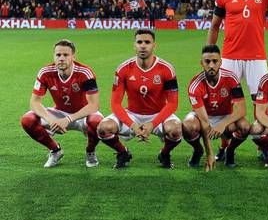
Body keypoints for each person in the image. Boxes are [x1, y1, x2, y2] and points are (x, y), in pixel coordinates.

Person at [207, 0, 268, 161]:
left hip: (256, 58)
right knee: (227, 104)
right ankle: (224, 146)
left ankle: (262, 145)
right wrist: (211, 53)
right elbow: (214, 25)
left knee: (261, 104)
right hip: (230, 57)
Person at [97, 29, 182, 169]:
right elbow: (115, 103)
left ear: (154, 45)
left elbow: (173, 103)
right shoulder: (123, 69)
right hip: (132, 114)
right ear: (134, 45)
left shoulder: (167, 69)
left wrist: (152, 124)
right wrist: (133, 125)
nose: (143, 46)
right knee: (103, 128)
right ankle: (123, 152)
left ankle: (164, 153)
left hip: (158, 114)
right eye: (139, 42)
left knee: (176, 130)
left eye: (147, 42)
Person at [21, 39, 103, 168]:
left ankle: (90, 151)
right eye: (58, 55)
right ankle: (55, 150)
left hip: (82, 114)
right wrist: (51, 119)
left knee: (98, 123)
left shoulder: (85, 73)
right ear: (54, 56)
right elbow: (34, 102)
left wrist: (68, 119)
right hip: (59, 113)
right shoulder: (45, 72)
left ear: (73, 57)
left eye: (66, 55)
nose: (61, 58)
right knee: (27, 120)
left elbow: (94, 105)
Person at [182, 45, 250, 170]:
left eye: (215, 61)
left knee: (245, 126)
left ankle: (229, 151)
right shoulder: (195, 85)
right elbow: (204, 122)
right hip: (203, 117)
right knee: (188, 125)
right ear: (201, 63)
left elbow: (242, 110)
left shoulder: (231, 78)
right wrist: (209, 153)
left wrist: (222, 124)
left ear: (220, 62)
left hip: (225, 117)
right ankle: (198, 150)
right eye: (207, 62)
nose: (211, 65)